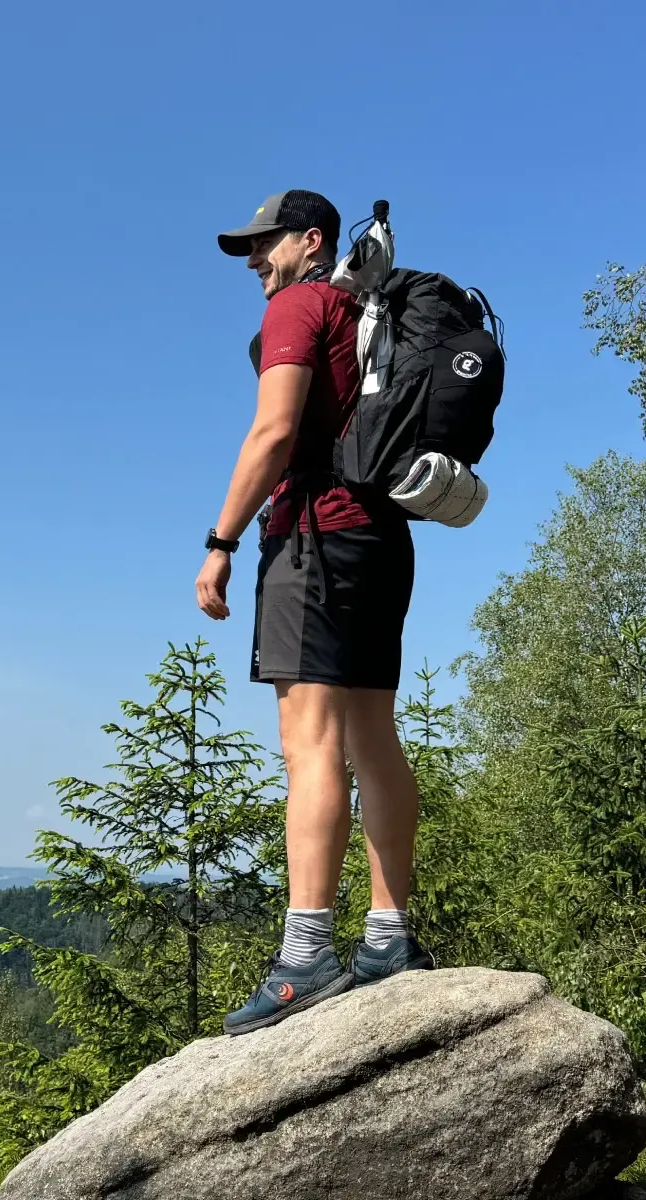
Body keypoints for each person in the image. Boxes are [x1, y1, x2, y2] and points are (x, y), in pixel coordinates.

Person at [196, 189, 433, 1036]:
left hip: (313, 540)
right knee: (374, 738)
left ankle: (306, 957)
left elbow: (274, 433)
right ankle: (388, 938)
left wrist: (220, 540)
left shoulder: (302, 306)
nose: (255, 262)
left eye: (265, 245)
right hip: (381, 540)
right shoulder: (372, 314)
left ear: (312, 240)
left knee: (312, 747)